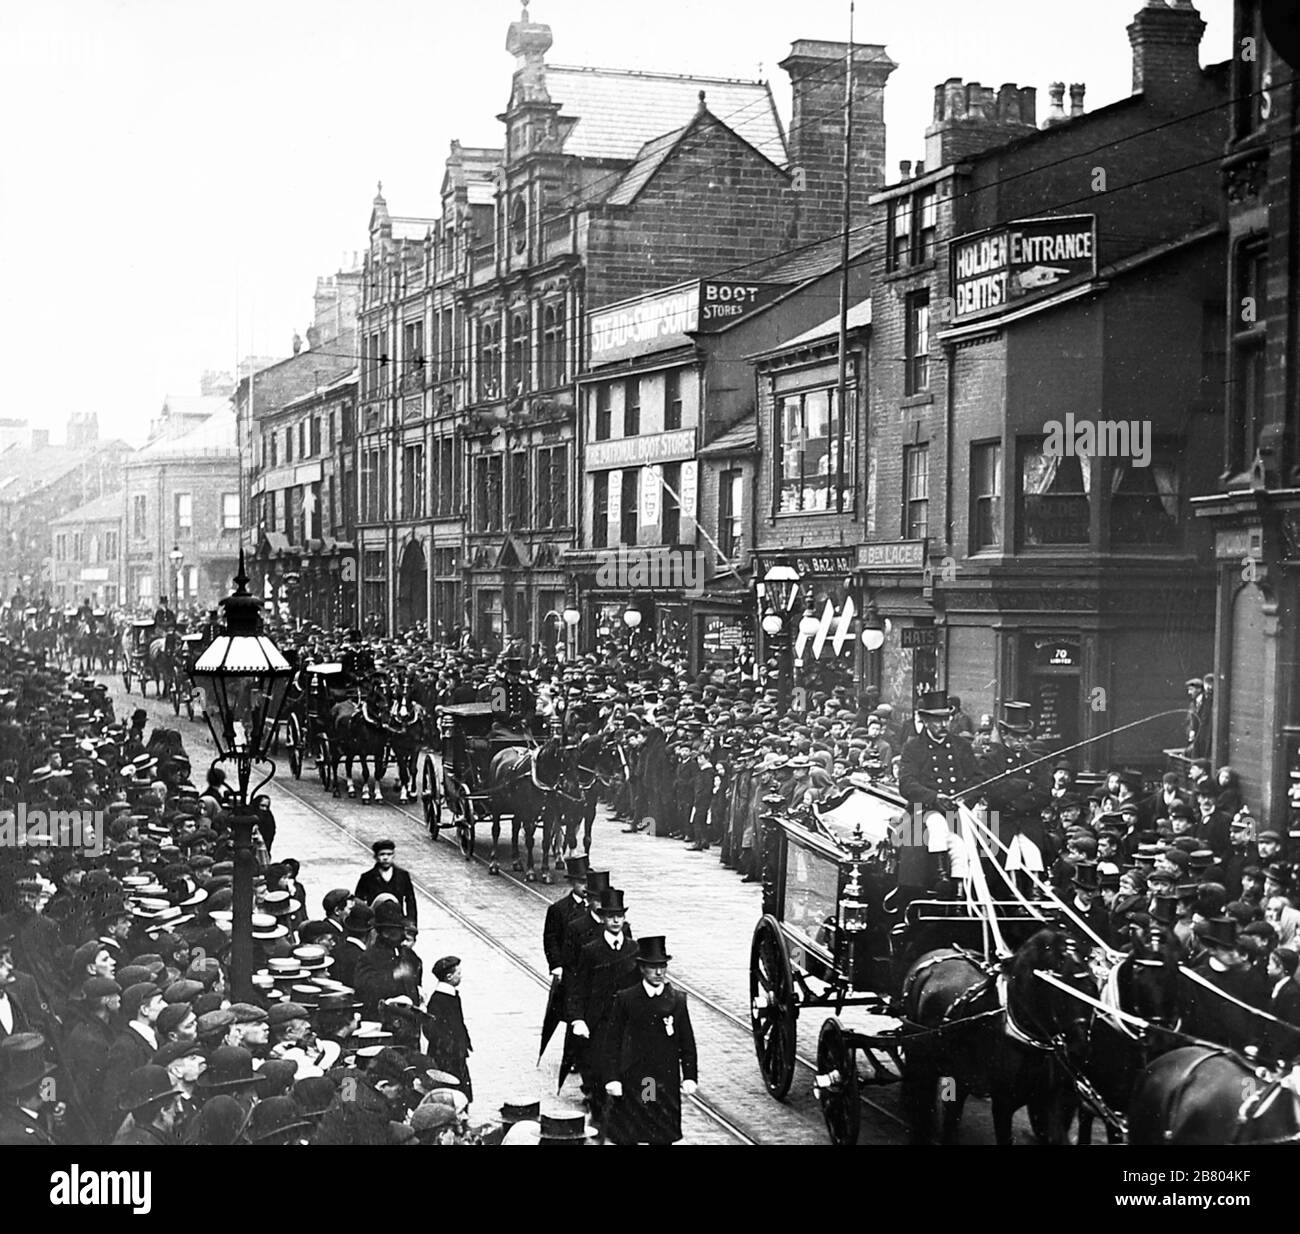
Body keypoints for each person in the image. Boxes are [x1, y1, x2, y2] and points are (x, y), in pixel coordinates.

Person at [602, 936, 698, 1146]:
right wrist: (612, 1078)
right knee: (642, 1128)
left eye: (662, 966)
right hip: (643, 1078)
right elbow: (612, 1042)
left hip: (667, 1078)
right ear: (642, 968)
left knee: (663, 1133)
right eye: (653, 967)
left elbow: (687, 1042)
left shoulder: (677, 1000)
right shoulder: (627, 998)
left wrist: (690, 1076)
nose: (659, 972)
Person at [567, 887, 639, 1127]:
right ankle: (598, 1124)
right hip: (600, 1024)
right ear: (604, 918)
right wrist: (578, 1019)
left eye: (620, 916)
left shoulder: (634, 950)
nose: (616, 921)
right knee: (598, 1075)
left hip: (627, 1025)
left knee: (629, 1074)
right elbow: (577, 987)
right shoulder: (591, 951)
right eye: (611, 916)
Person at [897, 691, 982, 890]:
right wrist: (934, 797)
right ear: (925, 720)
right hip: (923, 810)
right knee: (927, 834)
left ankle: (968, 891)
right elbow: (906, 783)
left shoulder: (961, 746)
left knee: (978, 843)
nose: (943, 725)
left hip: (958, 810)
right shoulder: (913, 747)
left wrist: (964, 799)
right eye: (937, 720)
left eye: (946, 719)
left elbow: (978, 780)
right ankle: (934, 880)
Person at [422, 955, 473, 1103]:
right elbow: (431, 1029)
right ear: (449, 976)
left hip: (456, 1053)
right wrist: (451, 1046)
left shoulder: (452, 995)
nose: (461, 976)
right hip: (446, 1056)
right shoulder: (439, 1000)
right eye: (458, 973)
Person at [111, 1065, 185, 1146]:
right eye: (174, 1106)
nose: (178, 1110)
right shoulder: (154, 1141)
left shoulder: (124, 1140)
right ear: (163, 1110)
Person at [354, 839, 418, 926]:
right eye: (382, 854)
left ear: (394, 855)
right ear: (375, 857)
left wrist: (411, 924)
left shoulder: (403, 876)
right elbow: (359, 903)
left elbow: (410, 902)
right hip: (375, 924)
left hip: (397, 924)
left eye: (389, 854)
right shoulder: (367, 877)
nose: (385, 858)